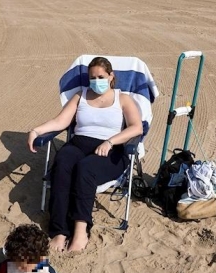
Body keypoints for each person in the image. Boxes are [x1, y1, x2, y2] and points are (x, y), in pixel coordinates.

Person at [27, 56, 143, 252]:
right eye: (92, 77)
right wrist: (36, 130)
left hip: (110, 150)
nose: (96, 81)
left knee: (86, 168)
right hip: (79, 143)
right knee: (62, 163)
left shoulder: (122, 98)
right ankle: (59, 231)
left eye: (101, 76)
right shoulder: (80, 96)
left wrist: (110, 141)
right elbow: (60, 121)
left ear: (111, 76)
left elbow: (136, 128)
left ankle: (80, 231)